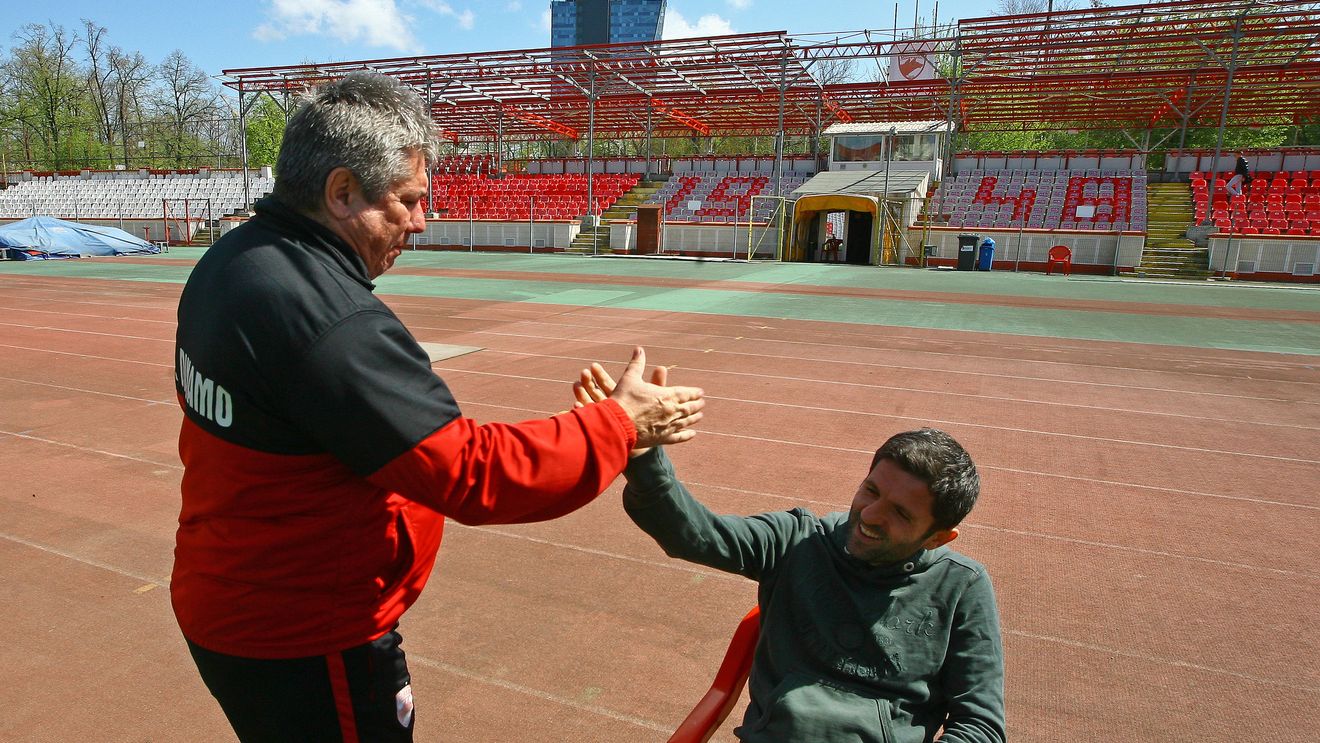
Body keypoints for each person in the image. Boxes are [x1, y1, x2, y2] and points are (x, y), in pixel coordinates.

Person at [172, 72, 704, 742]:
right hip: (305, 635)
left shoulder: (228, 261)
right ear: (342, 193)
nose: (422, 221)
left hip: (229, 595)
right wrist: (618, 423)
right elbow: (476, 473)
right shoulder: (330, 321)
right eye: (407, 200)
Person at [574, 365, 1005, 743]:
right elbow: (698, 535)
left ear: (938, 538)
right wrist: (644, 455)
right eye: (870, 491)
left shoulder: (961, 587)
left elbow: (980, 726)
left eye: (899, 514)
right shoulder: (798, 539)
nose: (870, 515)